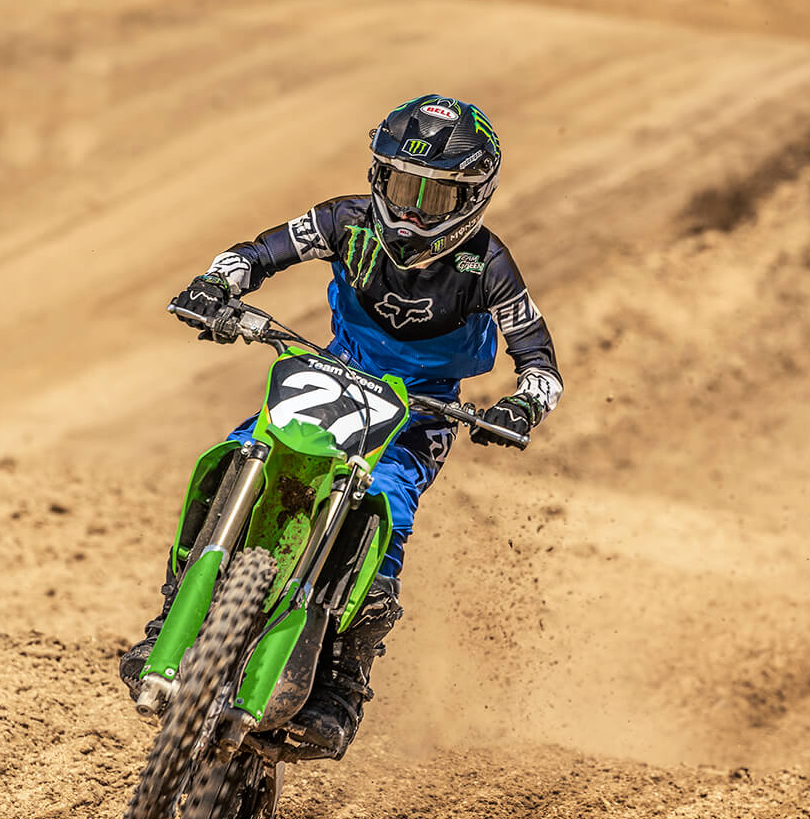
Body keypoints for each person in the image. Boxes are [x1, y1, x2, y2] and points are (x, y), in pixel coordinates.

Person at [119, 94, 563, 759]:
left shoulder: (488, 265)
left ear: (471, 198)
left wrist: (521, 405)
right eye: (403, 187)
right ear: (379, 175)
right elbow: (258, 252)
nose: (412, 212)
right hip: (333, 376)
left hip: (421, 412)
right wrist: (217, 285)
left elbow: (541, 363)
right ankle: (170, 619)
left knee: (388, 506)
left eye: (434, 197)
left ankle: (342, 682)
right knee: (240, 453)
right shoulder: (345, 221)